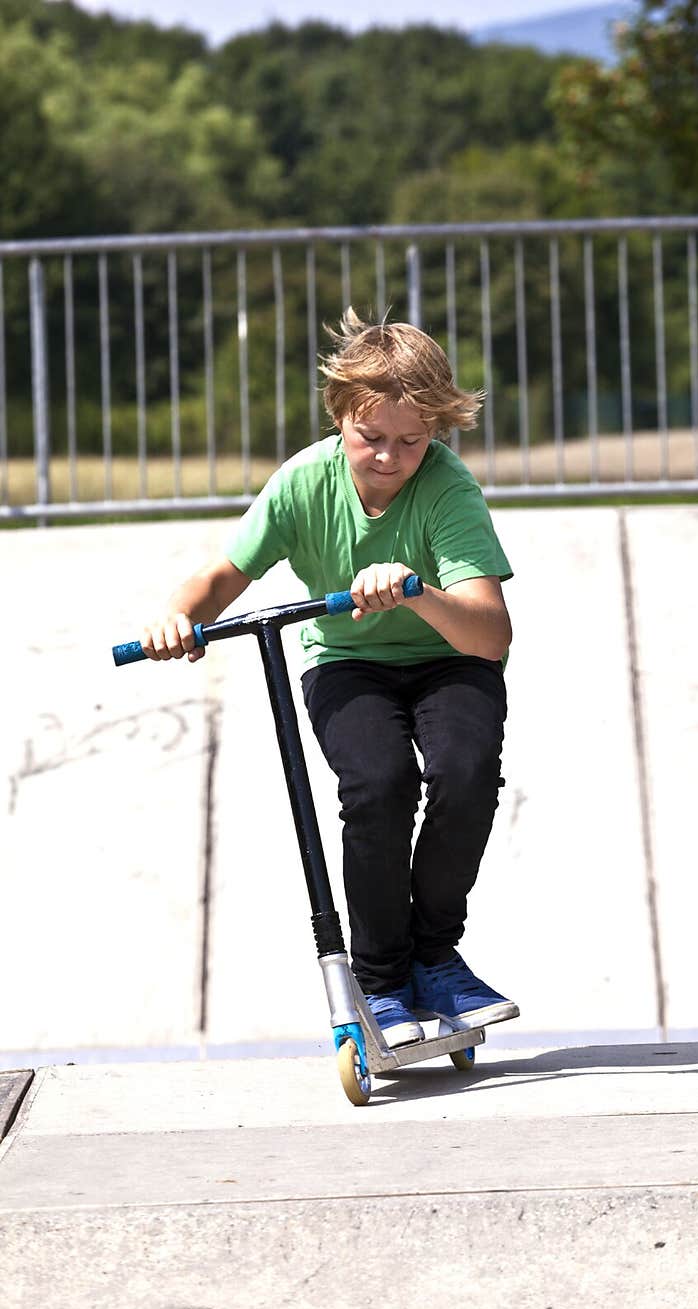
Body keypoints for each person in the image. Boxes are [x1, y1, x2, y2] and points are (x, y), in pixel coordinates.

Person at [139, 308, 519, 1048]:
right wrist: (176, 614)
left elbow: (490, 633)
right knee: (377, 786)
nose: (388, 457)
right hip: (348, 662)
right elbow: (223, 575)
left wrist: (416, 589)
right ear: (340, 415)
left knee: (466, 772)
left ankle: (435, 958)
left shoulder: (447, 488)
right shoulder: (302, 484)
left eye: (411, 442)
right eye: (370, 437)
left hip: (448, 657)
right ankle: (381, 982)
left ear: (436, 433)